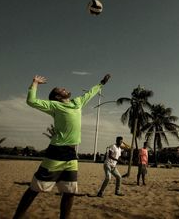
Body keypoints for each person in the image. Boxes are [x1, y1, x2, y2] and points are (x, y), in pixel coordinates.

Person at [13, 74, 111, 219]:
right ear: (57, 97)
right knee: (35, 188)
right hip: (57, 152)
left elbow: (90, 94)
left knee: (70, 191)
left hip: (71, 154)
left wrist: (101, 83)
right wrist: (34, 83)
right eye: (61, 90)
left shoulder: (77, 102)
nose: (65, 89)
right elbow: (31, 101)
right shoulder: (54, 106)